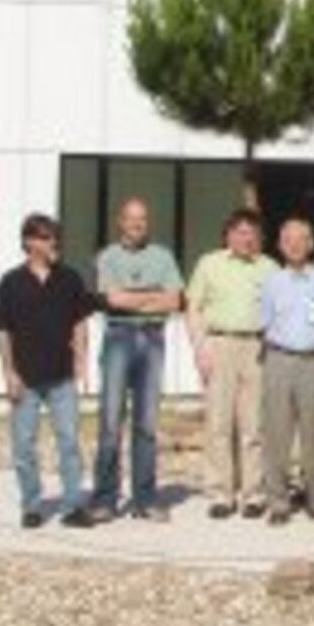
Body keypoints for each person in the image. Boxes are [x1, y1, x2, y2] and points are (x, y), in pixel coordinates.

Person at [0, 213, 96, 529]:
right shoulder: (11, 282)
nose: (54, 243)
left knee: (68, 442)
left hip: (62, 376)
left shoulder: (70, 278)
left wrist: (81, 361)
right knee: (24, 445)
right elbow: (3, 332)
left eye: (55, 237)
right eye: (48, 237)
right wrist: (9, 374)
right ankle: (32, 505)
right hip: (25, 379)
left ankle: (73, 506)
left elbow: (79, 322)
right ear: (30, 242)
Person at [89, 197, 183, 522]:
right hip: (118, 338)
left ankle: (145, 499)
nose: (137, 224)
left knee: (146, 424)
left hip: (153, 340)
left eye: (142, 219)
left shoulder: (164, 256)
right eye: (131, 219)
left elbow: (173, 301)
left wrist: (134, 298)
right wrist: (151, 295)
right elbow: (112, 300)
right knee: (111, 422)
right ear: (120, 222)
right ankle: (104, 499)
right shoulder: (107, 257)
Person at [185, 209, 276, 520]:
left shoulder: (269, 267)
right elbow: (193, 308)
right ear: (228, 235)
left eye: (251, 232)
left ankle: (253, 493)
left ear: (259, 237)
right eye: (239, 232)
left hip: (256, 346)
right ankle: (221, 493)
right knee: (219, 424)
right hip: (219, 344)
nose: (245, 238)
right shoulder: (209, 264)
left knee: (253, 425)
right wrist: (200, 349)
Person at [259, 216, 314, 524]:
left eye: (301, 239)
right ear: (280, 244)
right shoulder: (271, 281)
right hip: (279, 360)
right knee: (277, 432)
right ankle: (278, 502)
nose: (295, 245)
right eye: (288, 239)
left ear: (311, 244)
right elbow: (264, 324)